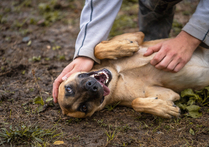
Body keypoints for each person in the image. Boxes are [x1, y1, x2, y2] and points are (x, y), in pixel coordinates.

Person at [53, 0, 209, 103]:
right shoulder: (126, 97)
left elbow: (137, 37)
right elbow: (170, 96)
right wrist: (85, 52)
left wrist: (190, 38)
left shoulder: (110, 56)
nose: (89, 89)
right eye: (84, 107)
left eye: (69, 88)